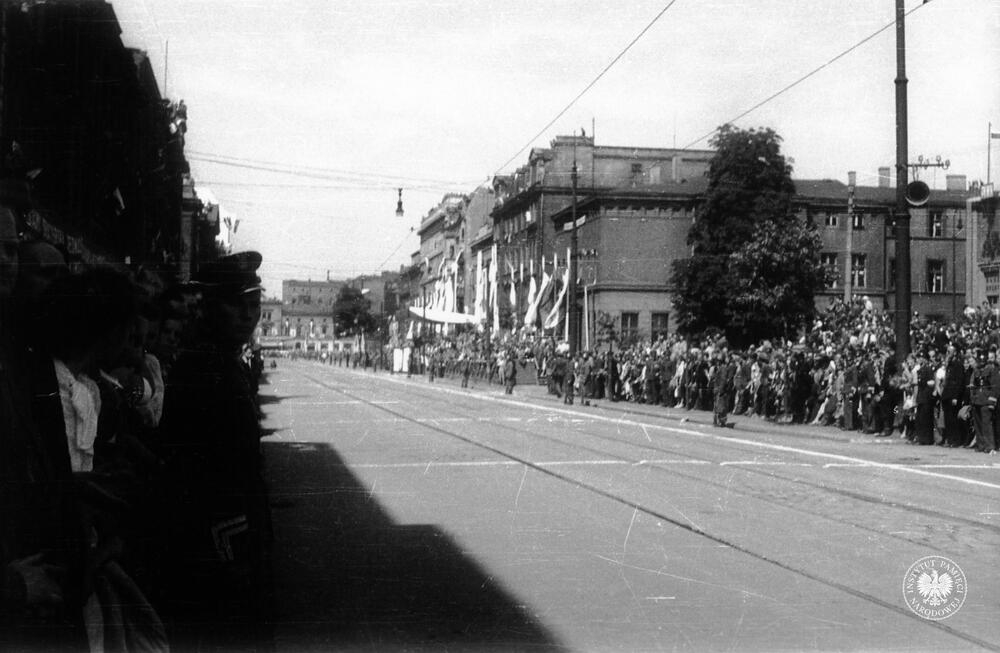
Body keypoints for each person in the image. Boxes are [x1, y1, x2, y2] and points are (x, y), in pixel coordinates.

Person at [159, 251, 273, 650]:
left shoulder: (223, 359)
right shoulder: (203, 366)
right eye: (236, 305)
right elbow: (194, 466)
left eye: (254, 304)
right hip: (217, 530)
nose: (248, 315)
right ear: (209, 308)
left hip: (234, 519)